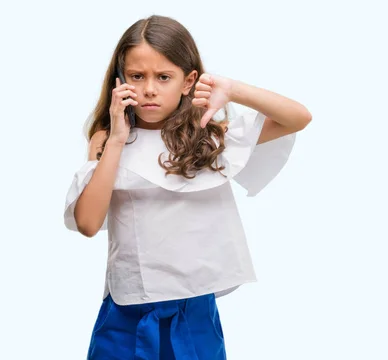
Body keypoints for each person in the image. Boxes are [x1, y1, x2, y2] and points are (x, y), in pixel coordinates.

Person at [63, 14, 311, 360]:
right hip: (127, 312)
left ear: (187, 80)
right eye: (137, 76)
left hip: (193, 309)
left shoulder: (209, 137)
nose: (149, 89)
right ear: (121, 80)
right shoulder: (107, 140)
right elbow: (88, 223)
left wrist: (232, 88)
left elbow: (298, 117)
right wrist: (118, 139)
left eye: (163, 77)